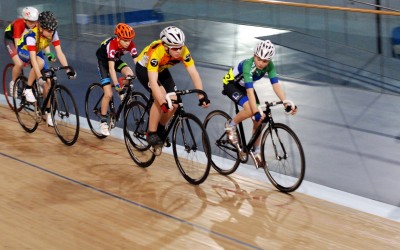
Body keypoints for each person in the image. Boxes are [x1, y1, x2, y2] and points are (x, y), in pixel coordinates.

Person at [135, 26, 210, 155]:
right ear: (165, 46)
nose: (179, 51)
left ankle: (161, 128)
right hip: (145, 70)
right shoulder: (156, 52)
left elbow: (193, 73)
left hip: (162, 69)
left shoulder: (183, 51)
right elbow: (153, 81)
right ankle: (151, 133)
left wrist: (201, 95)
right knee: (161, 97)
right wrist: (162, 101)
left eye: (180, 46)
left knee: (174, 103)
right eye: (175, 48)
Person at [222, 40, 297, 166]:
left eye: (265, 61)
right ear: (254, 55)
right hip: (231, 85)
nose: (261, 63)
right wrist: (255, 111)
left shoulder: (270, 65)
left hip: (245, 87)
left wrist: (285, 102)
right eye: (259, 59)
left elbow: (276, 84)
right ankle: (230, 124)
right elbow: (250, 91)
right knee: (252, 110)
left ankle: (256, 151)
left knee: (259, 120)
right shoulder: (248, 65)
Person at [17, 11, 76, 126]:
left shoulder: (53, 33)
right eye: (49, 31)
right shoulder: (31, 36)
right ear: (40, 27)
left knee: (48, 82)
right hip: (24, 50)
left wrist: (68, 69)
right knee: (39, 63)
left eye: (53, 30)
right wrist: (39, 76)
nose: (51, 33)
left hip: (36, 51)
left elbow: (59, 53)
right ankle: (28, 88)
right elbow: (33, 60)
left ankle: (48, 113)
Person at [96, 23, 138, 136]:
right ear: (118, 38)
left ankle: (121, 87)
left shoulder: (130, 44)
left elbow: (138, 64)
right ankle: (103, 121)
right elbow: (111, 68)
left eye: (130, 40)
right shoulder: (112, 45)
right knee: (108, 94)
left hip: (116, 60)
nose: (128, 43)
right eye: (125, 40)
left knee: (130, 74)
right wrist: (116, 84)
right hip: (104, 63)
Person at [4, 7, 40, 98]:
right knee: (19, 63)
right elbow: (17, 44)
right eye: (30, 22)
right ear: (24, 20)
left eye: (35, 21)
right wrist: (22, 58)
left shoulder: (36, 24)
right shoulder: (18, 24)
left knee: (37, 60)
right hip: (11, 40)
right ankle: (13, 83)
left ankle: (34, 84)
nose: (33, 24)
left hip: (24, 40)